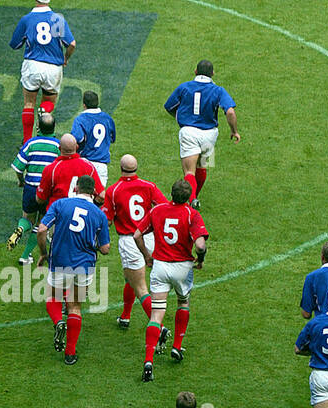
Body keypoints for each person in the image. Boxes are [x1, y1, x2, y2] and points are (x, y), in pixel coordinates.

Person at [37, 176, 110, 364]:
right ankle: (70, 353)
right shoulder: (99, 214)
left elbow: (42, 229)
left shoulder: (61, 204)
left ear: (76, 188)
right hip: (84, 266)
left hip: (60, 260)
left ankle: (58, 322)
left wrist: (44, 253)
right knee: (75, 306)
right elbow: (105, 249)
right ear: (94, 192)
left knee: (53, 296)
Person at [141, 180, 208, 382]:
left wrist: (147, 255)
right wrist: (201, 259)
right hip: (181, 268)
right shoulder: (191, 214)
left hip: (160, 266)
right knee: (183, 302)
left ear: (171, 193)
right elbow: (200, 245)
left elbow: (137, 234)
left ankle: (148, 361)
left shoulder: (157, 210)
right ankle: (177, 346)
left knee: (156, 314)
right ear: (188, 197)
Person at [101, 154, 166, 328]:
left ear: (120, 169)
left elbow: (106, 220)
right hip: (150, 237)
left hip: (130, 241)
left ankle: (159, 328)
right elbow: (163, 207)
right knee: (129, 279)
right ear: (136, 168)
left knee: (140, 288)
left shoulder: (113, 190)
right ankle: (125, 316)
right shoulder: (149, 186)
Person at [163, 60, 240, 205]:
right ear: (213, 74)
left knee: (189, 172)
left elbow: (169, 106)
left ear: (195, 72)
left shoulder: (184, 87)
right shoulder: (218, 90)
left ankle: (190, 201)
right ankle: (194, 197)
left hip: (189, 133)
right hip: (210, 135)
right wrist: (234, 131)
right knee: (202, 166)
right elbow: (230, 112)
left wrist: (180, 117)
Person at [10, 0, 76, 144]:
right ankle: (43, 128)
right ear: (49, 0)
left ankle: (27, 142)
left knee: (28, 103)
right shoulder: (57, 19)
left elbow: (15, 44)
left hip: (32, 65)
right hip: (53, 68)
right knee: (49, 102)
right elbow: (71, 44)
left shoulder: (27, 19)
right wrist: (66, 58)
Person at [7, 113, 59, 264]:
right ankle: (24, 256)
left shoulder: (30, 143)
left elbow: (17, 167)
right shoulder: (57, 146)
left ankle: (20, 230)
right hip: (47, 190)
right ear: (54, 127)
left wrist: (21, 181)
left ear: (38, 127)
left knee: (27, 219)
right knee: (41, 224)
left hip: (30, 188)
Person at [35, 134, 95, 211]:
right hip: (81, 216)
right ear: (77, 147)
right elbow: (101, 196)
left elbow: (40, 199)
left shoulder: (51, 169)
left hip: (57, 215)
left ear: (60, 148)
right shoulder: (89, 167)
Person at [70, 90, 116, 187]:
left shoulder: (80, 119)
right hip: (102, 165)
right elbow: (112, 138)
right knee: (99, 198)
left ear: (84, 105)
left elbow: (77, 139)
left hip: (85, 163)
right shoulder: (108, 119)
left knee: (83, 196)